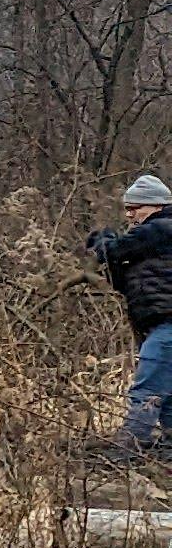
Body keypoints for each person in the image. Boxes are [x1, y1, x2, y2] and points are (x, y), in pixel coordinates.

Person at [91, 175, 172, 459]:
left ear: (155, 206)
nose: (129, 215)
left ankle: (124, 452)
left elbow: (115, 250)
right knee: (169, 395)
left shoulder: (161, 227)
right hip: (160, 324)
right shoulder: (156, 238)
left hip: (168, 326)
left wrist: (102, 241)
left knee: (148, 388)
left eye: (134, 208)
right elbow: (122, 275)